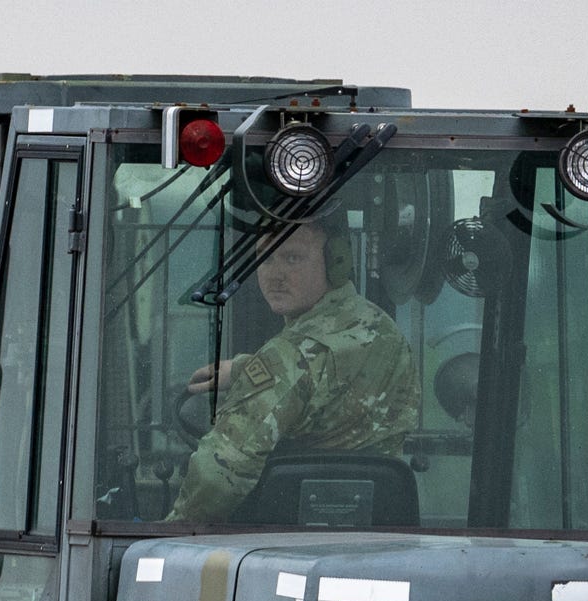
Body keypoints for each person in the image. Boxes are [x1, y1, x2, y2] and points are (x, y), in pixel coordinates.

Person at [167, 221, 419, 521]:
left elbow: (219, 473)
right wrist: (245, 371)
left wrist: (168, 532)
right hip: (378, 533)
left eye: (292, 258)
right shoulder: (384, 330)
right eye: (266, 258)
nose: (275, 276)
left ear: (336, 262)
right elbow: (329, 380)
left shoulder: (287, 356)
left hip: (289, 539)